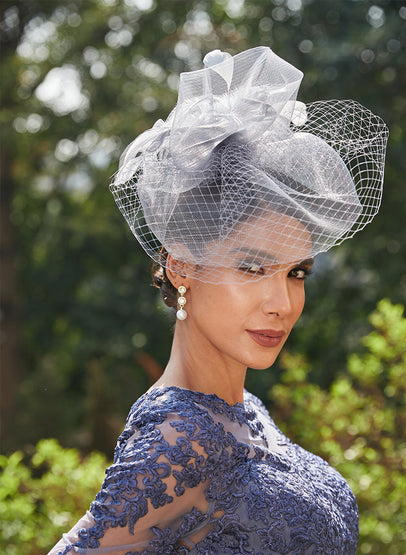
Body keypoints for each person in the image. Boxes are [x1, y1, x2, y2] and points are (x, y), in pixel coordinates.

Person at [49, 47, 388, 554]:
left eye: (297, 273)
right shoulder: (178, 438)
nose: (282, 302)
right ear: (181, 266)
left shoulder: (246, 410)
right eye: (252, 268)